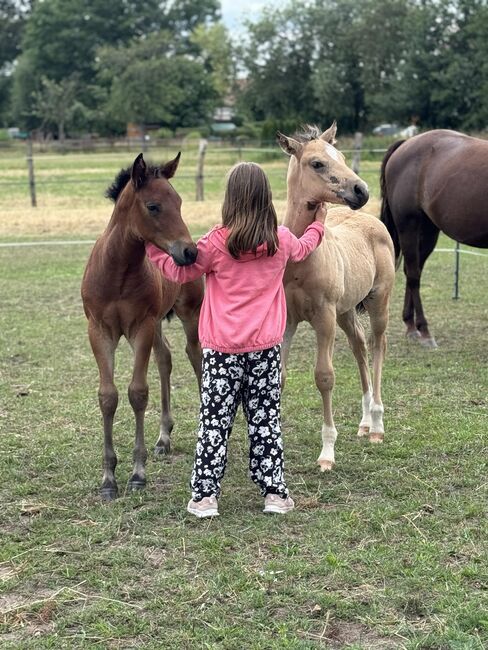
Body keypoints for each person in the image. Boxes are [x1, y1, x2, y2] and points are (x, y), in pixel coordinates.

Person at [146, 162, 325, 518]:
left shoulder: (215, 243)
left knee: (214, 422)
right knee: (265, 421)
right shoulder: (281, 240)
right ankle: (274, 493)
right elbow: (306, 246)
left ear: (230, 199)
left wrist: (151, 247)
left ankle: (204, 498)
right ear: (265, 197)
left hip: (221, 352)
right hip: (265, 351)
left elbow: (180, 271)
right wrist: (320, 221)